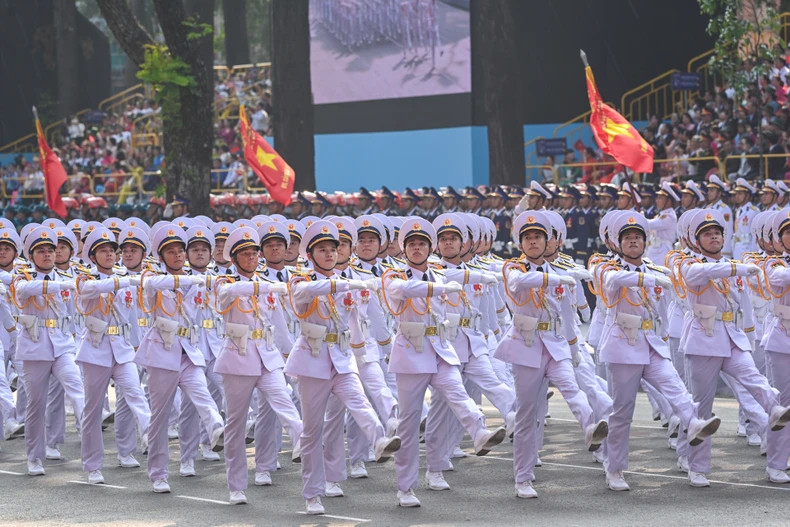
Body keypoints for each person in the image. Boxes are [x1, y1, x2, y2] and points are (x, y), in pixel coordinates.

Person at [381, 217, 506, 508]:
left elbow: (464, 278)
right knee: (409, 425)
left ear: (430, 247)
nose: (416, 248)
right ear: (404, 248)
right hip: (411, 353)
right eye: (411, 244)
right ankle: (406, 487)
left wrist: (487, 278)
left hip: (439, 348)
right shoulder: (393, 275)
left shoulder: (441, 274)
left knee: (457, 393)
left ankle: (479, 432)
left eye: (422, 244)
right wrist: (440, 288)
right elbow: (406, 291)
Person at [596, 212, 721, 491]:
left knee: (676, 388)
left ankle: (694, 423)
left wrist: (663, 332)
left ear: (645, 242)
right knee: (622, 412)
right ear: (618, 243)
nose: (633, 242)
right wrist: (646, 280)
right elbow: (614, 283)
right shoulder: (607, 266)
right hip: (622, 345)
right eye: (627, 238)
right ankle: (614, 468)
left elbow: (664, 306)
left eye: (637, 238)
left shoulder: (654, 268)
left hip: (651, 343)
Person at [285, 220, 401, 515]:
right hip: (312, 359)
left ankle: (379, 441)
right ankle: (312, 494)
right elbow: (304, 295)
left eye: (333, 249)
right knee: (312, 431)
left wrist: (366, 351)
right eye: (322, 250)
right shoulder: (300, 280)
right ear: (310, 255)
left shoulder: (347, 281)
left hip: (342, 355)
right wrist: (341, 283)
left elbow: (358, 321)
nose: (329, 254)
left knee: (360, 401)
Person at [494, 212, 607, 498]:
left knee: (572, 388)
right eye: (528, 238)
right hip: (526, 344)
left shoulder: (560, 274)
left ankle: (590, 427)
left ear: (547, 242)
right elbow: (518, 285)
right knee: (526, 414)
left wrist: (572, 346)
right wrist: (559, 277)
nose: (533, 242)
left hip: (555, 343)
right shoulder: (513, 267)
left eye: (538, 238)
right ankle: (523, 477)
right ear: (521, 243)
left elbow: (567, 313)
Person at [677, 209, 790, 487]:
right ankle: (696, 466)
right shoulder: (690, 263)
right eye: (707, 233)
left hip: (731, 336)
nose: (714, 237)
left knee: (754, 378)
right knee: (701, 407)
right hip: (704, 338)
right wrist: (738, 268)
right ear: (696, 239)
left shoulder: (731, 265)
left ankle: (773, 411)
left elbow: (743, 305)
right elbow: (701, 273)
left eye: (717, 233)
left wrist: (748, 335)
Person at [214, 226, 303, 504]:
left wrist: (292, 355)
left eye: (254, 253)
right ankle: (236, 485)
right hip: (238, 357)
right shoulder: (223, 283)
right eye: (246, 254)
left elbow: (278, 323)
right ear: (235, 258)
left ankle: (301, 439)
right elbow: (233, 292)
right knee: (236, 423)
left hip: (267, 353)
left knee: (284, 397)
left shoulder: (265, 285)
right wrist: (266, 285)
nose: (252, 258)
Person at [135, 225, 225, 494]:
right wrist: (192, 280)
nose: (177, 256)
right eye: (170, 252)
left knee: (202, 395)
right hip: (162, 354)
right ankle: (159, 474)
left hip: (189, 351)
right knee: (160, 419)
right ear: (161, 257)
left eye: (179, 252)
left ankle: (216, 428)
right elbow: (153, 285)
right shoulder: (152, 278)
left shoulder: (197, 280)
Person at [75, 227, 151, 485]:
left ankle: (147, 433)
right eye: (103, 251)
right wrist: (122, 280)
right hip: (95, 348)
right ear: (93, 256)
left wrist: (138, 345)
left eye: (112, 250)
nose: (109, 255)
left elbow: (131, 315)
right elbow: (89, 292)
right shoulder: (85, 278)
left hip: (121, 347)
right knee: (93, 409)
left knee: (135, 392)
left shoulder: (123, 279)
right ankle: (93, 465)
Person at [12, 227, 84, 476]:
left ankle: (88, 428)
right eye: (41, 251)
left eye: (51, 251)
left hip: (63, 344)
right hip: (34, 347)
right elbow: (25, 292)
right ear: (31, 256)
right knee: (36, 404)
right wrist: (62, 284)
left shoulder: (69, 278)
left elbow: (73, 312)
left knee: (77, 387)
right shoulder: (23, 276)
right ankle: (34, 457)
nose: (47, 255)